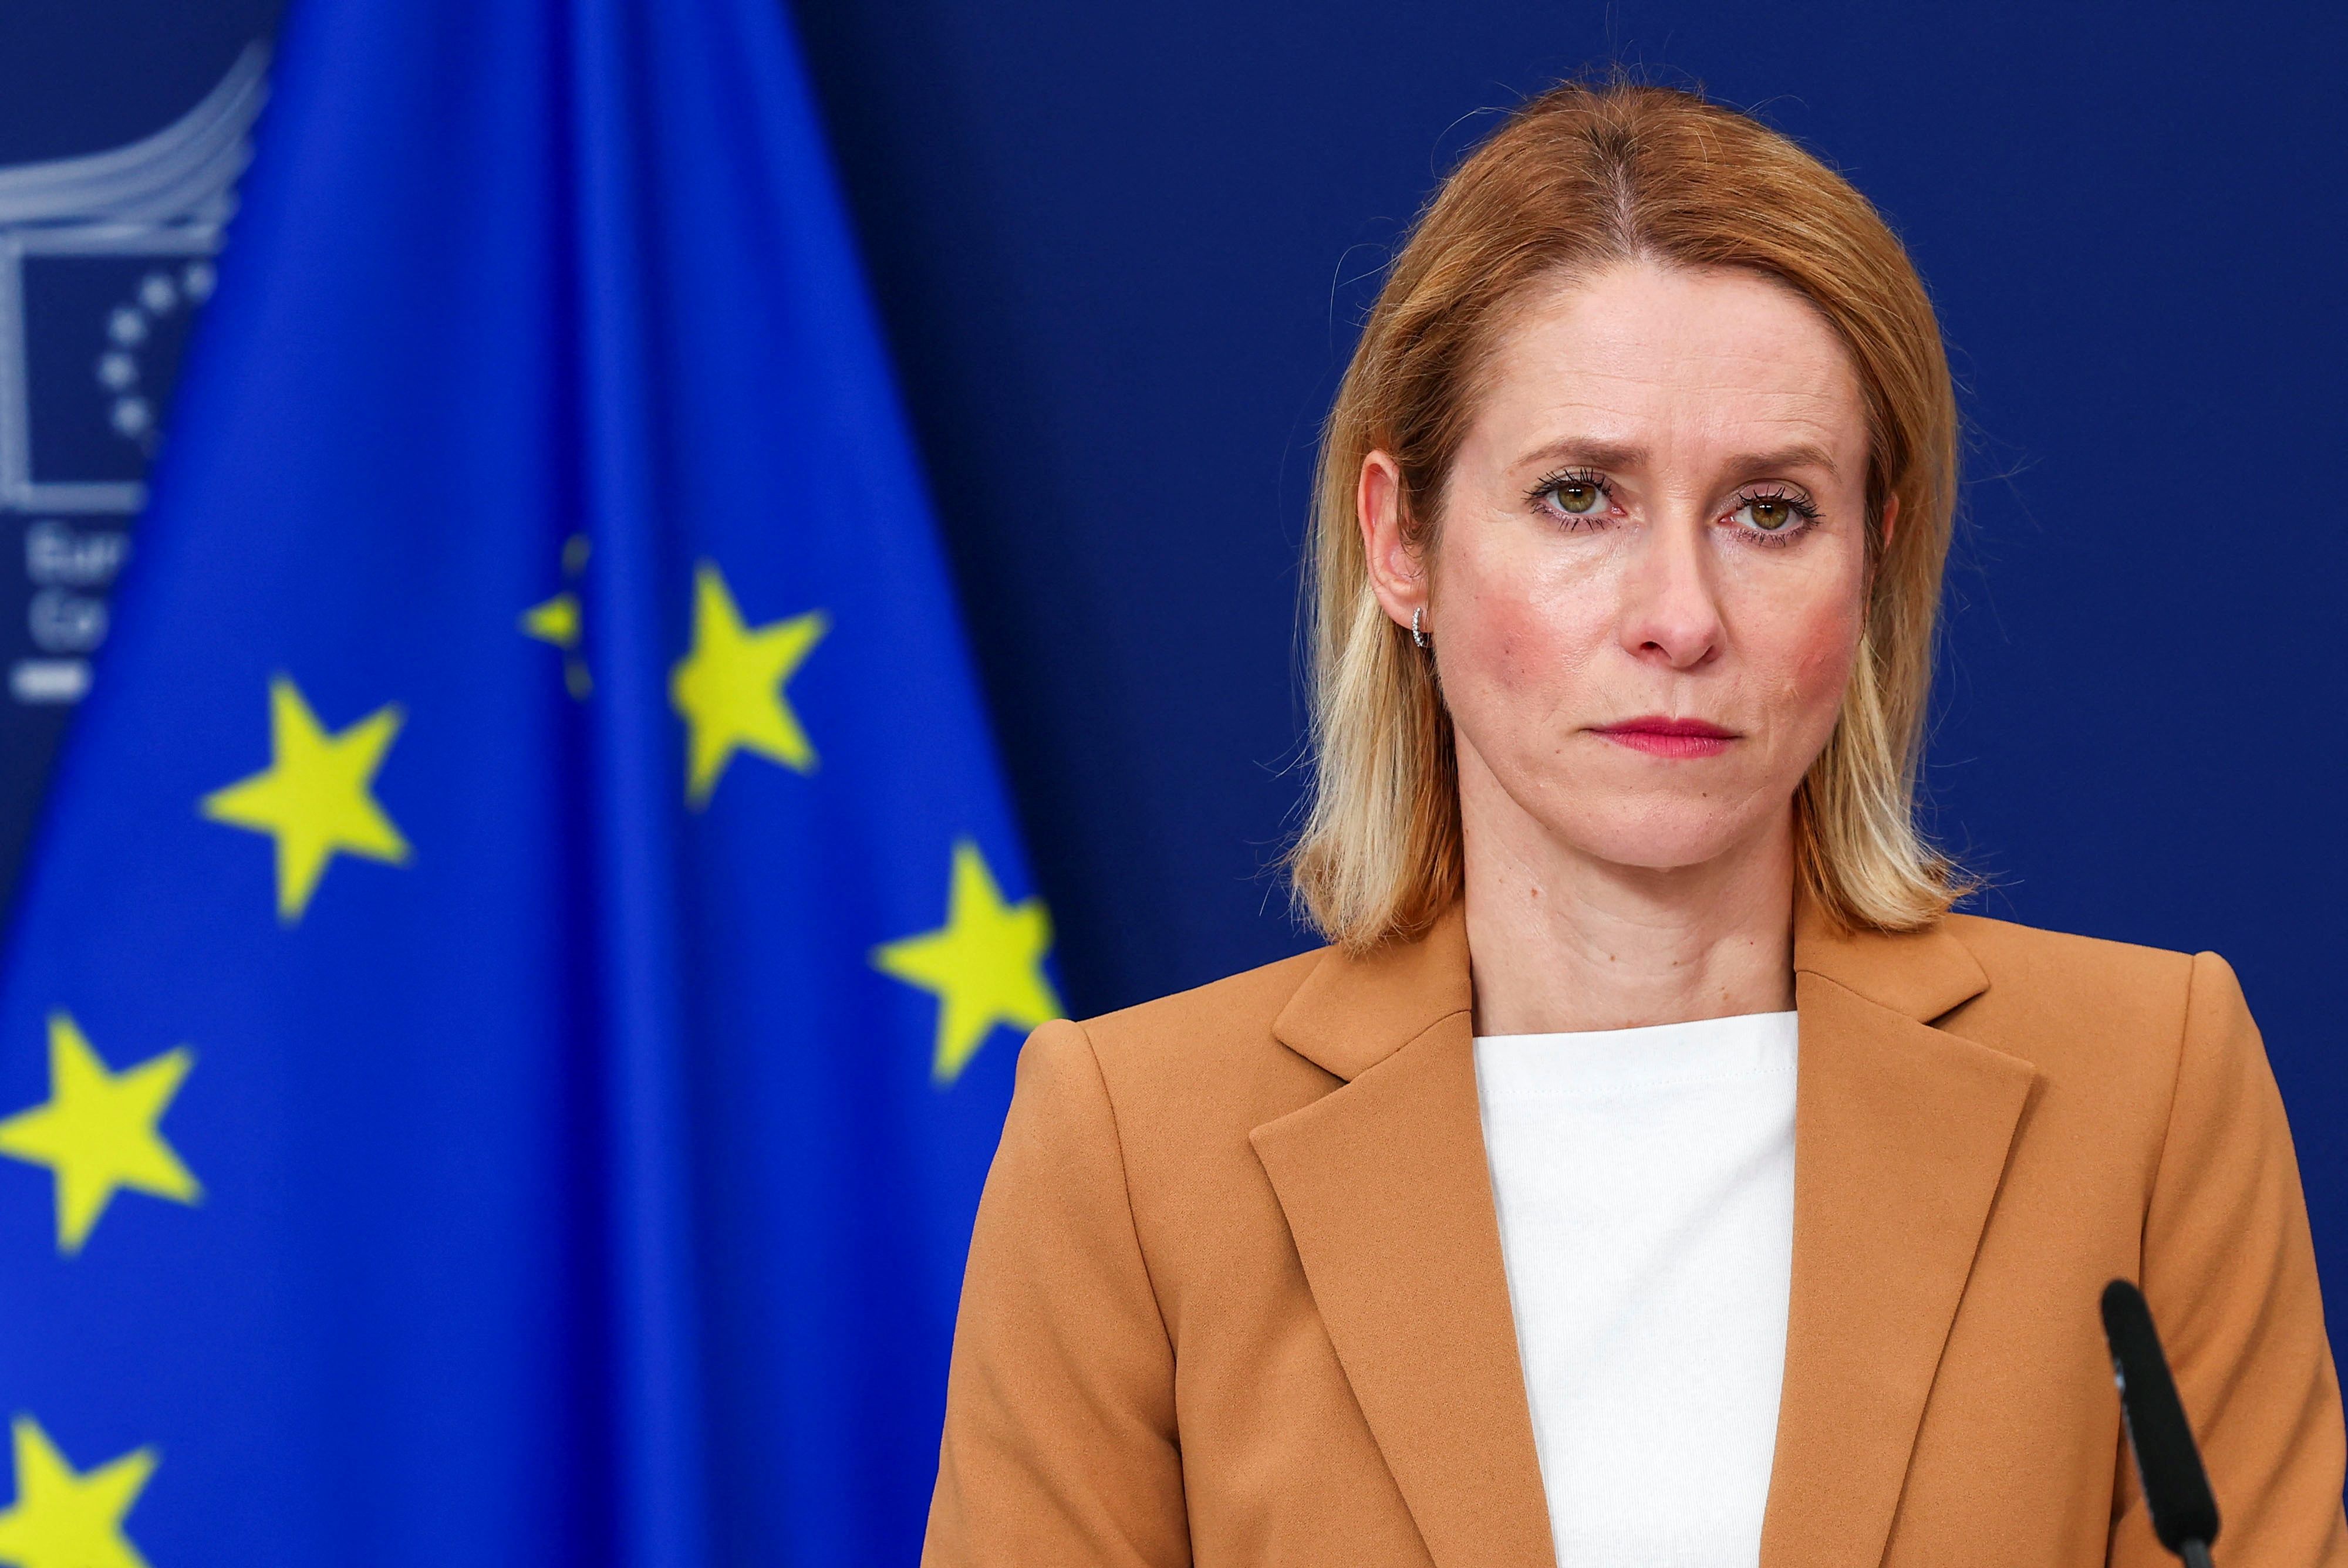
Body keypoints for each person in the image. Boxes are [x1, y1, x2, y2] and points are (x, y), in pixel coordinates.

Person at [919, 79, 2348, 1568]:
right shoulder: (1133, 1151)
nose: (1679, 615)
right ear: (1399, 540)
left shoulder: (2145, 1088)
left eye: (1769, 510)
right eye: (1579, 497)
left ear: (1873, 557)